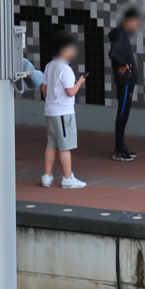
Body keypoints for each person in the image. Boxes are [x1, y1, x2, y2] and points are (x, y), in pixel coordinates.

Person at [39, 33, 86, 190]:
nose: (73, 51)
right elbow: (71, 92)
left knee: (51, 143)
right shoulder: (65, 69)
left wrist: (50, 101)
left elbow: (44, 88)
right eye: (71, 48)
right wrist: (80, 81)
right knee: (65, 146)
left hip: (50, 110)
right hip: (63, 112)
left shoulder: (49, 65)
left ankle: (46, 176)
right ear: (63, 49)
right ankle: (67, 178)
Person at [109, 7, 141, 162]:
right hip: (125, 82)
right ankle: (118, 150)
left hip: (127, 82)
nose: (136, 26)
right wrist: (124, 65)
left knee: (124, 114)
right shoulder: (120, 36)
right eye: (135, 22)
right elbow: (113, 53)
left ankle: (121, 146)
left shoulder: (122, 36)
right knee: (122, 115)